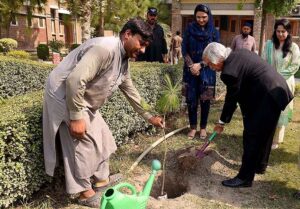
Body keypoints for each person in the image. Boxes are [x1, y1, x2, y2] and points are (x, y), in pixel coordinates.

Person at [42, 18, 164, 208]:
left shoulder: (123, 60)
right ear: (128, 34)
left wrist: (150, 116)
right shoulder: (105, 49)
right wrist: (75, 117)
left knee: (103, 136)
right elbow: (74, 80)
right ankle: (84, 193)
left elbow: (131, 91)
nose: (143, 50)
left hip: (82, 99)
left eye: (146, 46)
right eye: (142, 44)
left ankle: (101, 182)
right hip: (63, 94)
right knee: (80, 142)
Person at [202, 42, 293, 188]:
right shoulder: (239, 53)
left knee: (251, 136)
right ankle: (260, 165)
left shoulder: (228, 71)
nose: (212, 68)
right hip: (277, 91)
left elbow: (231, 99)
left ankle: (245, 177)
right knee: (266, 132)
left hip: (266, 96)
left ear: (218, 60)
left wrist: (222, 122)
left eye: (210, 65)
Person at [181, 4, 220, 140]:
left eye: (204, 17)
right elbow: (184, 49)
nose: (201, 20)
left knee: (205, 100)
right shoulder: (189, 29)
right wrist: (192, 66)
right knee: (191, 100)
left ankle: (203, 128)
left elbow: (215, 53)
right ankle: (192, 127)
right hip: (190, 71)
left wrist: (201, 65)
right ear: (194, 16)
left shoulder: (214, 32)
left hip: (207, 71)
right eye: (198, 17)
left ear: (208, 16)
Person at [262, 19, 300, 149]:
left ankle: (276, 139)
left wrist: (279, 76)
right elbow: (263, 62)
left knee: (281, 111)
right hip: (270, 82)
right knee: (269, 109)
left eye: (283, 31)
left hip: (285, 83)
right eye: (278, 31)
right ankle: (267, 134)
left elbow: (295, 66)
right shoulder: (269, 45)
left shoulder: (293, 47)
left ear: (288, 32)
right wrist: (268, 76)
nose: (280, 34)